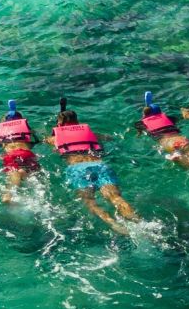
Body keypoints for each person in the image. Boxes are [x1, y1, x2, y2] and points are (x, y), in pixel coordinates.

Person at [52, 100, 141, 234]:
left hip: (78, 169)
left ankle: (112, 223)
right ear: (77, 122)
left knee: (90, 202)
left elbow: (42, 143)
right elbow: (109, 138)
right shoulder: (93, 134)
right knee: (115, 198)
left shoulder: (54, 138)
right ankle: (140, 223)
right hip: (100, 165)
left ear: (59, 124)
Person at [137, 92, 189, 168]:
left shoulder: (141, 123)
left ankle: (179, 158)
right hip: (180, 139)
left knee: (185, 163)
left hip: (166, 142)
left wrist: (139, 133)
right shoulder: (169, 118)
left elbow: (140, 131)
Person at [0, 100, 42, 202]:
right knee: (30, 172)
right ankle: (21, 173)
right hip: (26, 153)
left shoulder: (1, 134)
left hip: (10, 155)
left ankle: (8, 193)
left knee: (13, 173)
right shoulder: (27, 131)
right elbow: (35, 140)